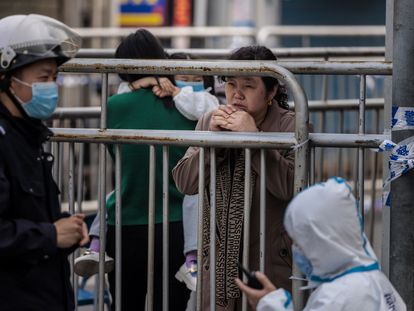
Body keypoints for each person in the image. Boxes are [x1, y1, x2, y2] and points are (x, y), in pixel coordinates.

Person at [74, 52, 220, 295]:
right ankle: (96, 246)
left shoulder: (203, 102)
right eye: (182, 77)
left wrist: (174, 92)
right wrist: (139, 85)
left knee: (191, 200)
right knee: (113, 197)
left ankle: (191, 258)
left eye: (196, 78)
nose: (189, 83)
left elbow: (201, 107)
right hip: (164, 209)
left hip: (189, 188)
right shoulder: (170, 106)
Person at [172, 45, 295, 310]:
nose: (236, 95)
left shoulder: (291, 125)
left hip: (268, 262)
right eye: (230, 84)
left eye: (248, 86)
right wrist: (212, 144)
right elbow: (185, 182)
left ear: (271, 91)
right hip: (216, 267)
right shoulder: (210, 120)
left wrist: (254, 140)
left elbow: (289, 187)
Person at [0, 14, 89, 311]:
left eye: (54, 78)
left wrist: (65, 228)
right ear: (7, 79)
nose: (51, 87)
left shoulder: (28, 134)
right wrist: (51, 235)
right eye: (43, 78)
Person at [105, 29, 196, 311]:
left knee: (126, 302)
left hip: (126, 223)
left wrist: (137, 84)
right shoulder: (186, 106)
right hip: (178, 227)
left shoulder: (115, 106)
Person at [236, 177, 407, 311]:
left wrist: (268, 304)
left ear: (321, 241)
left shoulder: (337, 296)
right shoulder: (374, 279)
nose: (296, 250)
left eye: (300, 241)